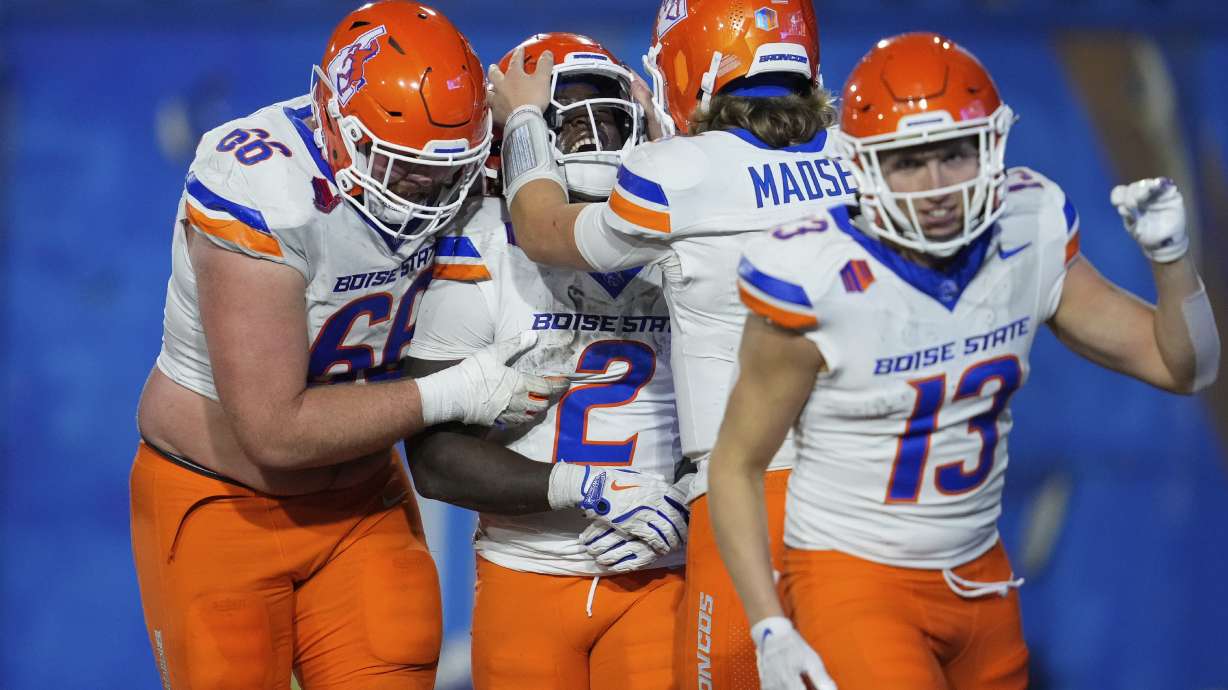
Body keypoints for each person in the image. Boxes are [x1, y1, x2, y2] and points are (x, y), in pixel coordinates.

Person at [708, 32, 1221, 690]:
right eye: (909, 162)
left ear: (992, 147)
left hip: (981, 577)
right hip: (855, 580)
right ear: (863, 166)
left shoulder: (1027, 229)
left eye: (954, 154)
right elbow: (736, 464)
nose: (937, 187)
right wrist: (769, 626)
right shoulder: (815, 273)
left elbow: (1185, 368)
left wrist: (1172, 260)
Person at [130, 3, 561, 688]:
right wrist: (457, 390)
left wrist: (532, 121)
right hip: (220, 500)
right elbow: (274, 431)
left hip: (361, 499)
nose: (429, 187)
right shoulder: (260, 182)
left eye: (449, 168)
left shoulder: (458, 156)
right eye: (401, 165)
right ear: (336, 123)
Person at [486, 2, 857, 687]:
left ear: (692, 63)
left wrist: (527, 118)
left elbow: (541, 229)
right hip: (876, 483)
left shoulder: (677, 172)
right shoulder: (865, 157)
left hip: (754, 490)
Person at [402, 33, 689, 690]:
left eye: (608, 117)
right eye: (569, 120)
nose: (592, 137)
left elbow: (752, 407)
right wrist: (580, 485)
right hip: (526, 568)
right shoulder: (481, 244)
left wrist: (690, 499)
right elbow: (436, 459)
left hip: (661, 567)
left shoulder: (684, 237)